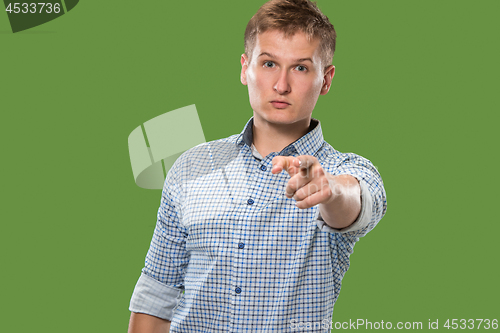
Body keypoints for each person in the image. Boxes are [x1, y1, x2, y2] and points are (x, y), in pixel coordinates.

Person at [128, 0, 387, 331]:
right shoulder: (192, 166)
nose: (281, 85)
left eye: (301, 68)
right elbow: (156, 294)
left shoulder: (345, 169)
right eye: (268, 64)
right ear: (244, 67)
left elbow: (357, 203)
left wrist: (331, 191)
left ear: (326, 80)